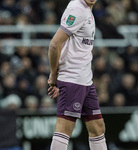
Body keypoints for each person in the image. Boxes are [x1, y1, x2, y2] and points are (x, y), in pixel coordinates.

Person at [47, 0, 107, 150]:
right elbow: (54, 44)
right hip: (72, 78)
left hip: (86, 80)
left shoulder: (86, 9)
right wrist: (54, 75)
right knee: (65, 128)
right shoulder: (77, 9)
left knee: (97, 128)